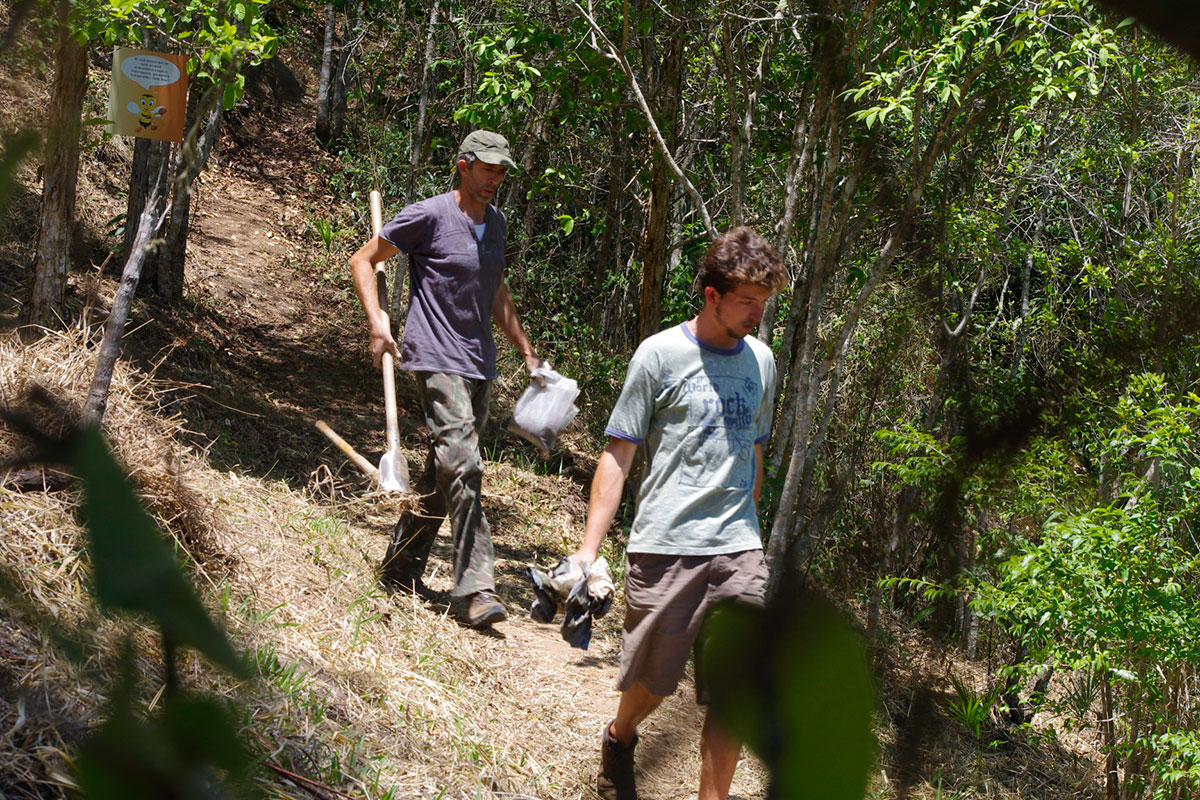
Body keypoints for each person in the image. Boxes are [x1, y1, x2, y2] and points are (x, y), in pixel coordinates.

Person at [571, 226, 788, 800]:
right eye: (747, 301)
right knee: (653, 684)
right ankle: (619, 737)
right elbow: (619, 453)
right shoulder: (660, 355)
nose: (756, 315)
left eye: (763, 304)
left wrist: (748, 519)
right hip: (666, 543)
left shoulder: (762, 361)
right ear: (712, 295)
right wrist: (588, 552)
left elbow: (756, 446)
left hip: (739, 546)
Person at [349, 129, 544, 629]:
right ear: (464, 165)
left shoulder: (497, 224)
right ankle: (477, 588)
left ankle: (400, 565)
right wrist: (377, 324)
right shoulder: (430, 215)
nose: (495, 179)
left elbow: (495, 288)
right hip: (434, 355)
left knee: (444, 472)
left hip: (480, 361)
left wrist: (525, 350)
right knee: (465, 464)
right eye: (487, 169)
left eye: (502, 171)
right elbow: (363, 260)